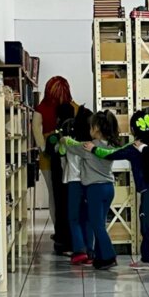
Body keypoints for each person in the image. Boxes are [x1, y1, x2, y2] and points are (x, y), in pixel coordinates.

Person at [85, 111, 149, 272]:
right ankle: (146, 259)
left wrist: (93, 149)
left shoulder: (135, 147)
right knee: (147, 226)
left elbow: (110, 154)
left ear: (133, 129)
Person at [60, 110, 119, 270]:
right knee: (100, 223)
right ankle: (100, 256)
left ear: (96, 128)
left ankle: (109, 256)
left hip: (95, 189)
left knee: (96, 224)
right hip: (109, 187)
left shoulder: (88, 146)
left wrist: (64, 139)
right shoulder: (111, 145)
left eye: (91, 126)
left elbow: (72, 146)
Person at [33, 76, 77, 225]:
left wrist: (44, 148)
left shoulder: (41, 108)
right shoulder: (72, 106)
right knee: (68, 192)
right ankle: (69, 227)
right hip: (69, 154)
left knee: (53, 194)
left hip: (48, 155)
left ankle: (59, 228)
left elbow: (36, 129)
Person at [59, 105, 95, 265]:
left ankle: (79, 250)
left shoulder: (69, 143)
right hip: (89, 182)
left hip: (73, 181)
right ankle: (90, 251)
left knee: (74, 218)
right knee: (87, 218)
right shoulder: (92, 145)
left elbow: (62, 158)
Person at [44, 103, 75, 255]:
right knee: (74, 211)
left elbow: (48, 152)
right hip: (76, 179)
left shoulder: (54, 137)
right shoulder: (79, 135)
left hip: (59, 179)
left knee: (61, 209)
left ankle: (62, 242)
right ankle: (76, 242)